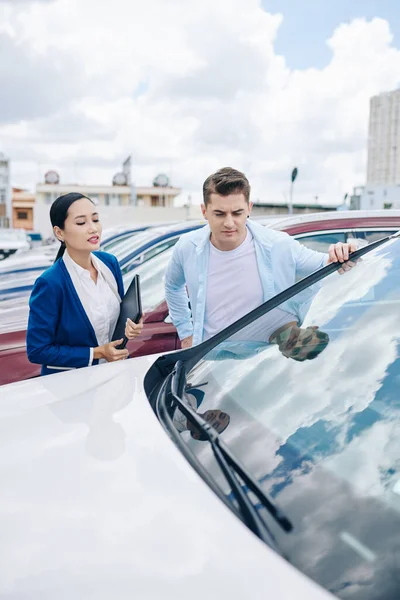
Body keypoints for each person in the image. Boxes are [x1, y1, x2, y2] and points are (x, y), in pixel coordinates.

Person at [165, 166, 357, 349]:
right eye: (220, 214)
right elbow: (172, 286)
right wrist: (186, 332)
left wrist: (342, 250)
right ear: (204, 211)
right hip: (208, 361)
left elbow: (326, 264)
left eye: (237, 213)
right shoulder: (187, 247)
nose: (229, 222)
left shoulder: (278, 245)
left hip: (260, 362)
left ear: (249, 208)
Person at [27, 193, 143, 376]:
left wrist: (132, 325)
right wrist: (97, 353)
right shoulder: (50, 283)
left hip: (115, 375)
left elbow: (119, 316)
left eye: (95, 220)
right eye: (81, 223)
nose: (93, 228)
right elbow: (37, 350)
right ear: (59, 232)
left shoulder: (110, 264)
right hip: (74, 385)